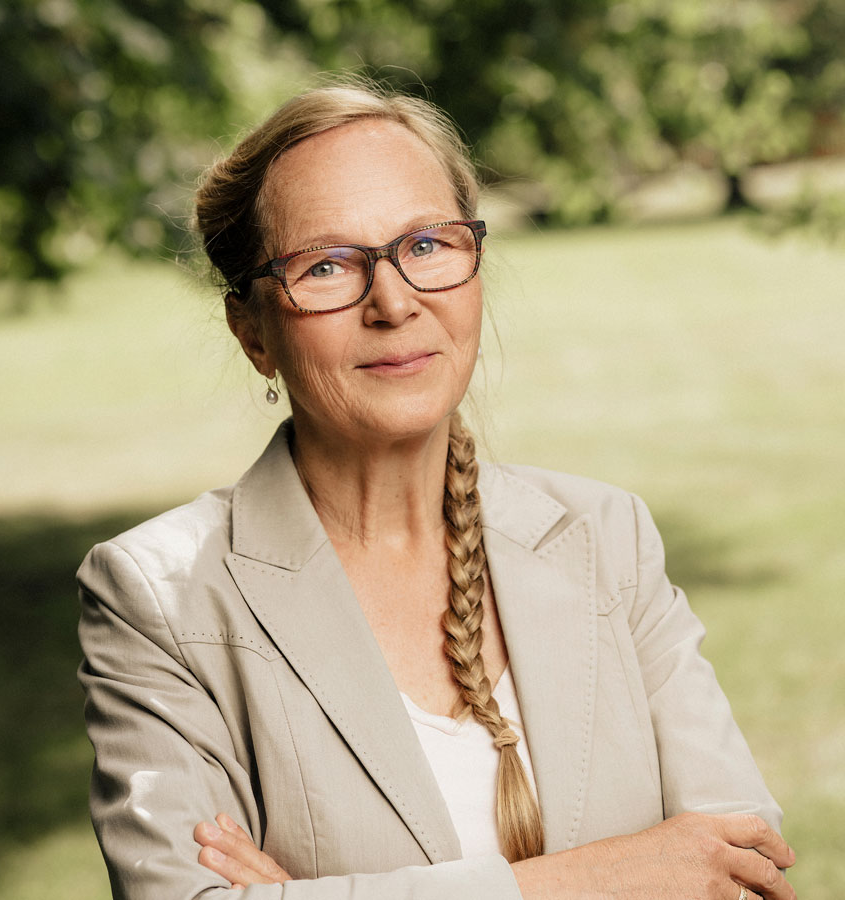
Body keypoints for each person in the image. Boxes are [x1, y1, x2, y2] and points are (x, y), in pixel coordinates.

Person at [76, 78, 794, 900]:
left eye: (425, 245)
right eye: (327, 265)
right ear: (253, 334)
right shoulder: (157, 595)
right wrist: (603, 877)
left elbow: (746, 872)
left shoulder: (608, 535)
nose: (393, 300)